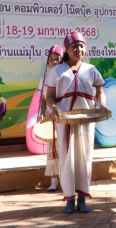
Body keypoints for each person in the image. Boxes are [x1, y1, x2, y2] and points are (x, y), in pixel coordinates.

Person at [45, 31, 107, 214]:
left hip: (86, 120)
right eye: (74, 46)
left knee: (84, 158)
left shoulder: (91, 69)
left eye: (81, 45)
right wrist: (55, 108)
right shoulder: (56, 70)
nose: (79, 49)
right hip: (64, 120)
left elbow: (100, 91)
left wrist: (102, 103)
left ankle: (82, 198)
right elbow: (49, 97)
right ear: (67, 49)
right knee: (67, 159)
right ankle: (69, 199)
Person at [37, 45, 64, 192]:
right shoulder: (45, 79)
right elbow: (42, 99)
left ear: (62, 60)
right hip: (50, 118)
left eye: (57, 59)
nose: (54, 62)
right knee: (52, 151)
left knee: (65, 149)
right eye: (51, 59)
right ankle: (53, 181)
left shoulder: (66, 76)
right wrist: (42, 112)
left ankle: (66, 180)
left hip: (64, 118)